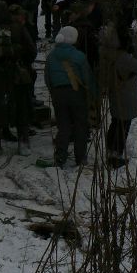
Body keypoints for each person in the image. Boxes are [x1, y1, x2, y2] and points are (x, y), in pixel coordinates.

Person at [0, 1, 36, 156]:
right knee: (21, 107)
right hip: (17, 75)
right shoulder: (19, 28)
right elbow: (32, 51)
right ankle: (23, 143)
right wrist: (23, 63)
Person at [44, 26, 97, 168]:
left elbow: (47, 79)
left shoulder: (51, 56)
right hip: (76, 94)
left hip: (58, 95)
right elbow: (88, 79)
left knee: (63, 127)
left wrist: (55, 93)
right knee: (81, 126)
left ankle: (60, 157)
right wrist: (94, 95)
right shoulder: (79, 56)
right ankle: (81, 158)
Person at [99, 24, 137, 169]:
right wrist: (136, 47)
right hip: (125, 94)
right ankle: (115, 156)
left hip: (114, 92)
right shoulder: (122, 57)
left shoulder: (104, 52)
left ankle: (111, 151)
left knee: (115, 122)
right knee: (123, 125)